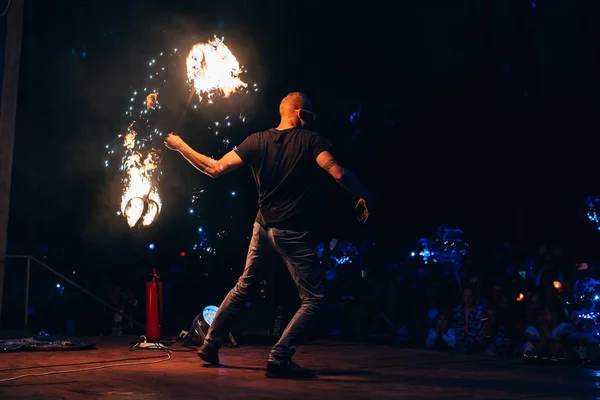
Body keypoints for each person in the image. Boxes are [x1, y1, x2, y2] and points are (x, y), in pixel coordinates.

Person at [163, 92, 371, 379]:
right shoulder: (312, 140)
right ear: (300, 115)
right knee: (315, 298)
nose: (311, 120)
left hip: (262, 228)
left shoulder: (256, 140)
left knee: (243, 286)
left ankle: (211, 345)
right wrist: (363, 194)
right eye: (309, 115)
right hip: (292, 232)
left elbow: (214, 168)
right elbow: (337, 173)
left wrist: (180, 146)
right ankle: (279, 358)